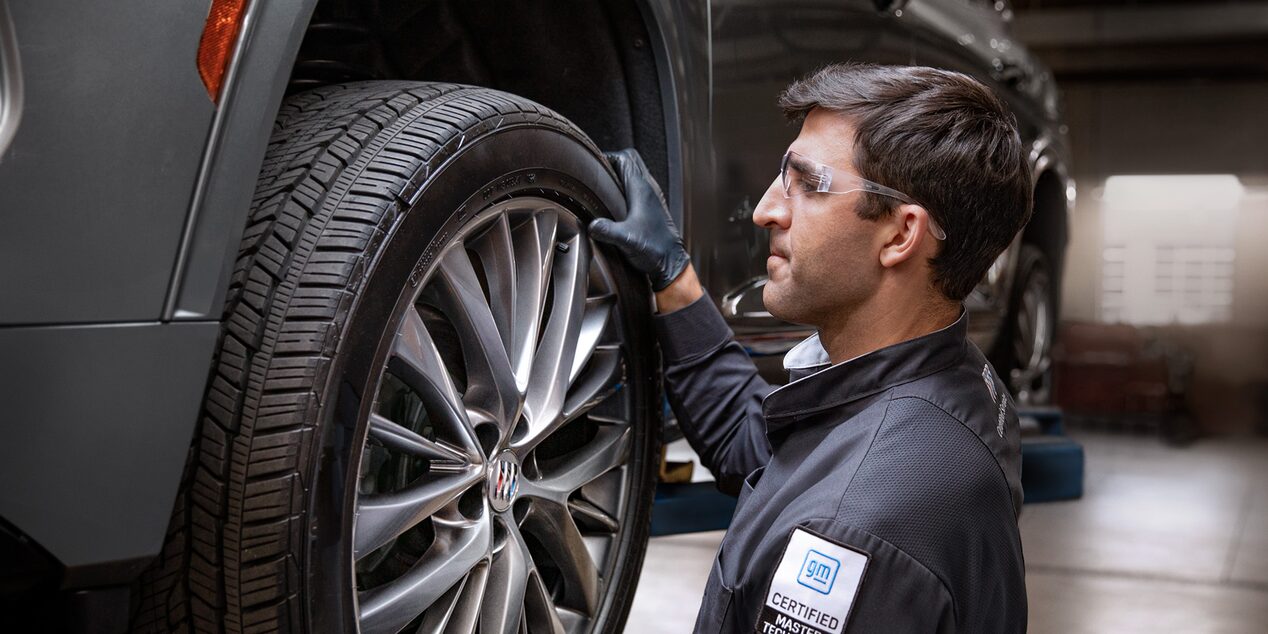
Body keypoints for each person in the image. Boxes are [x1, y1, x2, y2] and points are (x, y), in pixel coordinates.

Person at [590, 63, 1033, 633]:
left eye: (810, 183)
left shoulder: (850, 538)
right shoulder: (955, 382)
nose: (765, 210)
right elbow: (765, 451)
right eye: (783, 175)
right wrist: (676, 281)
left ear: (901, 235)